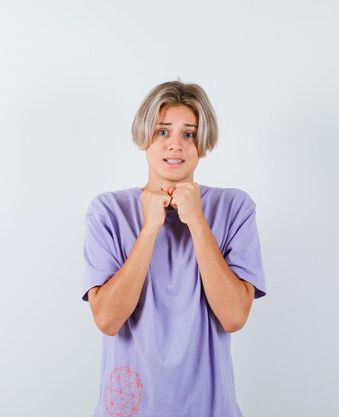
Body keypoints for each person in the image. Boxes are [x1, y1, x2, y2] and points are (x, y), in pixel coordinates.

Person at [81, 80, 267, 417]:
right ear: (145, 137)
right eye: (163, 132)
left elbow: (234, 316)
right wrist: (150, 227)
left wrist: (197, 221)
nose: (175, 146)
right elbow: (107, 319)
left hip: (210, 408)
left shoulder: (234, 207)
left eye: (189, 134)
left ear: (203, 142)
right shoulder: (108, 211)